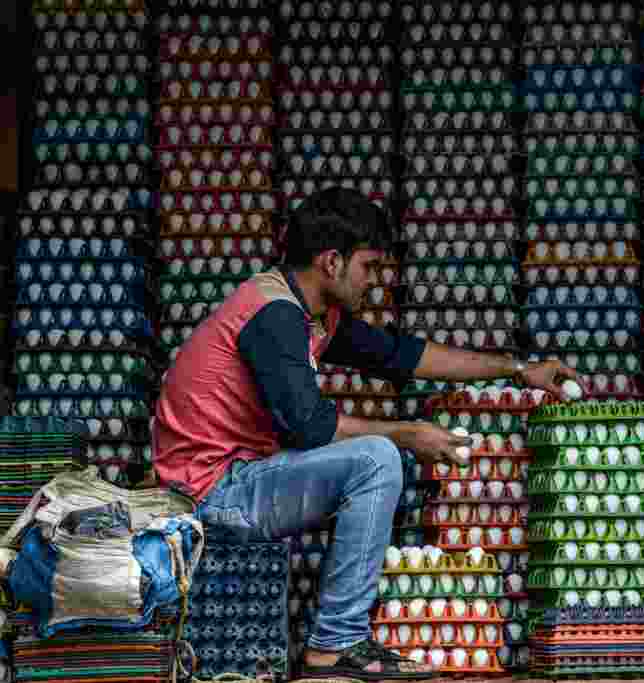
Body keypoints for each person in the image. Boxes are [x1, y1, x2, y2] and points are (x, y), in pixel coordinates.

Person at [153, 187, 579, 681]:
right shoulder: (274, 314)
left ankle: (336, 641)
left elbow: (404, 355)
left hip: (239, 481)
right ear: (332, 261)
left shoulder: (309, 312)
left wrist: (519, 369)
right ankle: (335, 645)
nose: (372, 282)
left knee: (378, 451)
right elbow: (309, 425)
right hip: (208, 496)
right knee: (377, 458)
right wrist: (407, 433)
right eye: (368, 267)